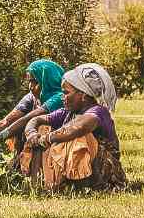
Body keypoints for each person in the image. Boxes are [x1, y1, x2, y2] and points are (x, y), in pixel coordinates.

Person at [21, 62, 126, 191]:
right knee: (42, 128)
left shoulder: (98, 112)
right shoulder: (68, 112)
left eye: (66, 93)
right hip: (82, 171)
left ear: (83, 94)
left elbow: (79, 127)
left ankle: (82, 186)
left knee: (78, 137)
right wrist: (32, 134)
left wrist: (46, 138)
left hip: (104, 173)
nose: (62, 97)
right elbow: (36, 120)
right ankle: (40, 186)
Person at [0, 59, 65, 166]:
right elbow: (6, 121)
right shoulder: (31, 97)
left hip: (56, 147)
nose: (30, 87)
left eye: (35, 82)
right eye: (29, 81)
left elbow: (27, 119)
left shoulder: (60, 97)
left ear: (47, 81)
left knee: (38, 127)